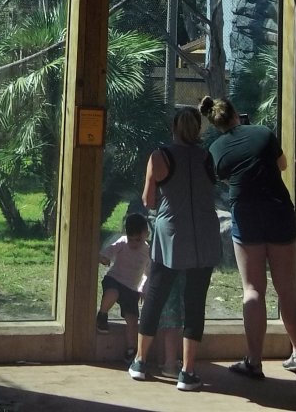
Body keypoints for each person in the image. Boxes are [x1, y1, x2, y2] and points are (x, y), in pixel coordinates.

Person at [202, 95, 296, 377]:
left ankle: (254, 361)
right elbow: (282, 165)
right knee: (288, 288)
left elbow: (224, 178)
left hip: (246, 215)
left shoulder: (216, 149)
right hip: (278, 210)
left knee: (253, 290)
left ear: (215, 124)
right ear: (237, 113)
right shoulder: (263, 133)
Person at [128, 106, 222, 392]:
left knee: (155, 296)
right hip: (204, 235)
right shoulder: (209, 157)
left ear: (173, 128)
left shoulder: (160, 156)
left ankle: (140, 362)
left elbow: (149, 201)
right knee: (195, 303)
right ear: (198, 130)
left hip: (171, 236)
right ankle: (188, 371)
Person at [97, 211, 150, 346]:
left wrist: (143, 288)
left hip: (131, 288)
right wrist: (104, 258)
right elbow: (108, 252)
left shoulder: (148, 251)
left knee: (132, 320)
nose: (133, 243)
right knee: (112, 293)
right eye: (130, 239)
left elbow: (147, 273)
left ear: (146, 233)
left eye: (138, 239)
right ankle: (102, 315)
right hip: (114, 279)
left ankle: (131, 349)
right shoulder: (122, 242)